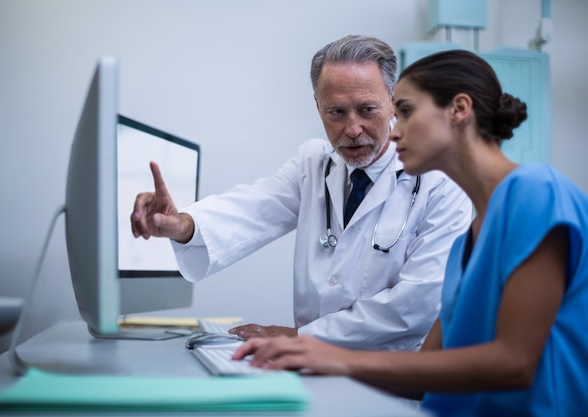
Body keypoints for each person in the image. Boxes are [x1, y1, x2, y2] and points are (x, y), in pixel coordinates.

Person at [232, 49, 588, 417]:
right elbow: (424, 375)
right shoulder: (468, 242)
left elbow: (513, 362)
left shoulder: (536, 192)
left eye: (404, 112)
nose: (394, 129)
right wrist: (304, 361)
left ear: (459, 109)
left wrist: (334, 355)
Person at [131, 35, 472, 351]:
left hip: (392, 382)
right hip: (311, 367)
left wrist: (300, 337)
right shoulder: (314, 163)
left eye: (367, 110)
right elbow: (254, 208)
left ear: (393, 100)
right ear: (317, 105)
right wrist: (184, 225)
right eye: (336, 112)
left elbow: (418, 304)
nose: (352, 130)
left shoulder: (440, 181)